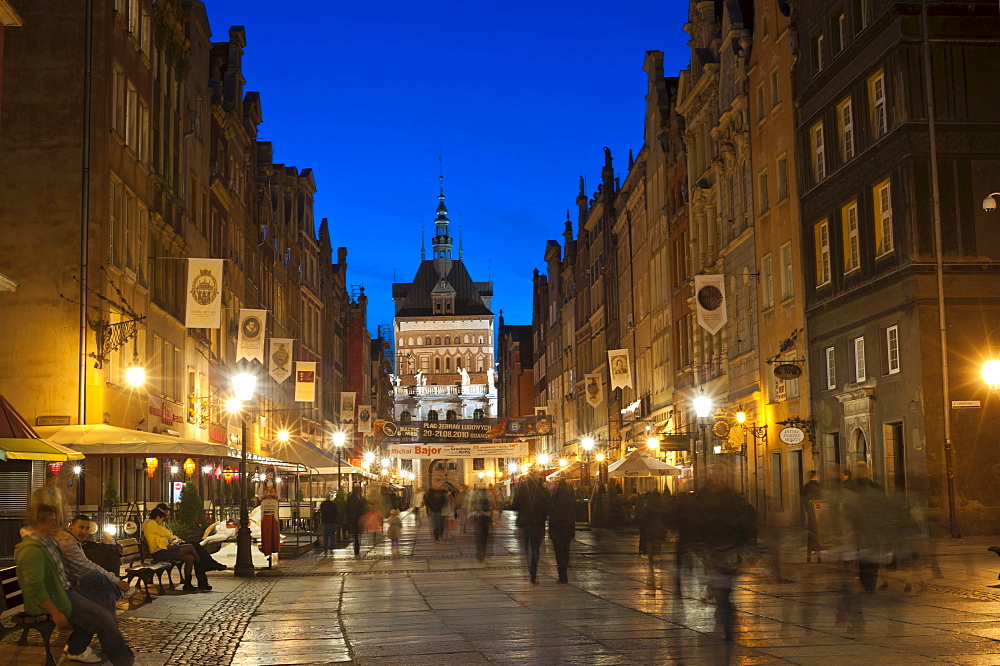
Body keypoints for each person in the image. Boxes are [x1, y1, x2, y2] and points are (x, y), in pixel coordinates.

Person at [16, 503, 135, 665]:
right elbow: (35, 587)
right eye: (51, 521)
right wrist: (55, 612)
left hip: (66, 591)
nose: (55, 525)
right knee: (104, 618)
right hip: (59, 598)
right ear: (39, 523)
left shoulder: (48, 542)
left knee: (105, 599)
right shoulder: (31, 550)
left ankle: (79, 648)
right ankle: (125, 662)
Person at [55, 515, 135, 615]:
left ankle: (107, 624)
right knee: (97, 577)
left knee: (108, 595)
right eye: (81, 527)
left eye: (87, 528)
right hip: (70, 585)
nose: (84, 532)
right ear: (71, 527)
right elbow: (87, 567)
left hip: (73, 581)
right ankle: (121, 593)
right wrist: (117, 581)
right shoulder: (68, 544)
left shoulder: (72, 540)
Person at [142, 509, 207, 591]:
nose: (162, 522)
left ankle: (187, 584)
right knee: (190, 546)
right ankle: (201, 564)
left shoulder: (153, 524)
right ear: (157, 517)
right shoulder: (151, 524)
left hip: (163, 550)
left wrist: (171, 542)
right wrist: (173, 538)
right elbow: (165, 532)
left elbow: (162, 536)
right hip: (159, 553)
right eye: (162, 519)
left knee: (190, 558)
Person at [154, 503, 226, 572]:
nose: (167, 513)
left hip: (175, 544)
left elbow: (170, 535)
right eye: (166, 511)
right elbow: (166, 537)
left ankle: (210, 564)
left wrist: (178, 540)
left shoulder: (163, 523)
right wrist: (174, 541)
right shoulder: (156, 524)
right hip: (170, 547)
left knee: (195, 548)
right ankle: (210, 564)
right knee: (193, 548)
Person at [511, 469, 550, 584]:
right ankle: (533, 572)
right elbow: (547, 506)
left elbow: (514, 505)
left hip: (524, 522)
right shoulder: (542, 488)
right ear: (536, 476)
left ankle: (529, 569)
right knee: (535, 548)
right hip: (537, 522)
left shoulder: (521, 487)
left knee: (526, 547)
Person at [548, 480, 575, 584]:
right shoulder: (570, 497)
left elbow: (550, 510)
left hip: (557, 529)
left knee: (559, 552)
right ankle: (564, 574)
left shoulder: (555, 497)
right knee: (566, 551)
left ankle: (562, 576)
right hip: (568, 528)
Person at [801, 471, 824, 563]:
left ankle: (813, 550)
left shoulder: (807, 486)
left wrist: (806, 507)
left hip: (810, 510)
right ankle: (817, 549)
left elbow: (803, 498)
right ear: (815, 476)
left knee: (812, 531)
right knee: (818, 531)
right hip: (817, 510)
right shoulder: (816, 487)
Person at [345, 485, 366, 556]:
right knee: (356, 535)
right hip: (356, 518)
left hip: (353, 518)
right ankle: (356, 548)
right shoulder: (357, 499)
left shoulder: (351, 498)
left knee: (356, 535)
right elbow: (360, 509)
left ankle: (356, 548)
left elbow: (347, 508)